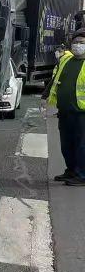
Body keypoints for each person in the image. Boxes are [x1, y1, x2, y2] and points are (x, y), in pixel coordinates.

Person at [46, 27, 85, 185]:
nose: (78, 45)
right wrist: (46, 98)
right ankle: (71, 170)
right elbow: (56, 80)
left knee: (82, 145)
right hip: (65, 111)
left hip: (82, 113)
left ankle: (82, 175)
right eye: (75, 42)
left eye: (82, 42)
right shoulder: (66, 60)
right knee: (66, 144)